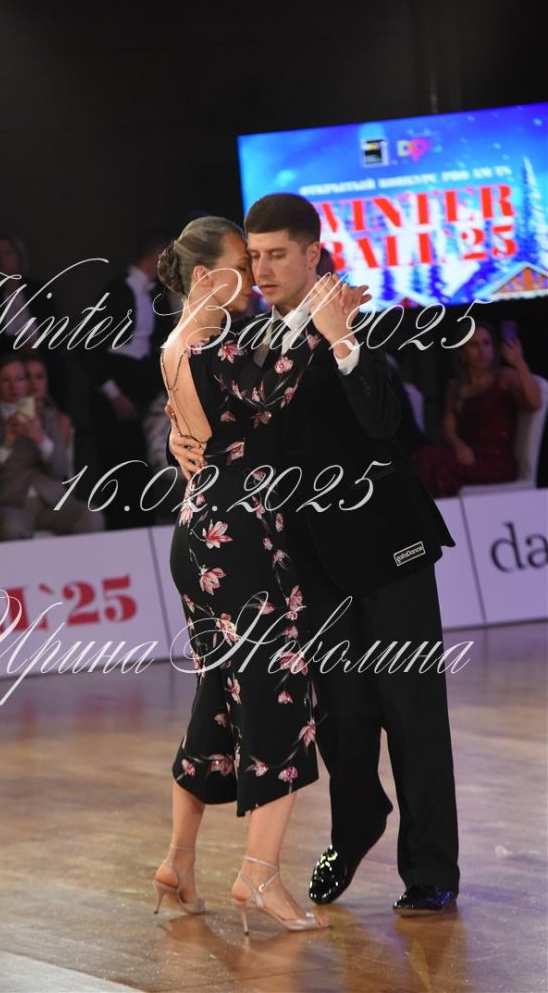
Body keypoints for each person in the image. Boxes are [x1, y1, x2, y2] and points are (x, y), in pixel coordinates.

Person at [170, 193, 460, 917]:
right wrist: (179, 442)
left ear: (312, 256)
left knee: (412, 712)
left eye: (276, 255)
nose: (263, 270)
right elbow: (222, 422)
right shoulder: (245, 339)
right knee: (338, 717)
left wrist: (343, 340)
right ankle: (357, 823)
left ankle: (430, 869)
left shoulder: (353, 319)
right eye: (253, 256)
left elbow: (387, 423)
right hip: (304, 561)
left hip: (387, 551)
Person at [153, 215, 365, 935]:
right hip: (239, 540)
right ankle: (261, 874)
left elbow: (217, 411)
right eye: (242, 265)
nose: (254, 277)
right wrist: (327, 322)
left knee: (217, 694)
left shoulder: (177, 343)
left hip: (196, 533)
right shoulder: (216, 341)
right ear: (206, 276)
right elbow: (272, 382)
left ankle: (179, 863)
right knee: (281, 697)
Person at [79, 231, 176, 529]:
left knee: (142, 464)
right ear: (155, 257)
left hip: (142, 388)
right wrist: (114, 394)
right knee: (118, 464)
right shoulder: (116, 291)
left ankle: (144, 524)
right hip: (114, 390)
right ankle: (121, 528)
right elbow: (87, 347)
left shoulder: (156, 294)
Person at [0, 353, 101, 541]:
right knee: (11, 528)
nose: (14, 387)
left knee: (90, 515)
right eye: (5, 380)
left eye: (19, 379)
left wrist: (40, 438)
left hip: (51, 503)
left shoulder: (47, 417)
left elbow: (61, 470)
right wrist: (6, 444)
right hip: (8, 504)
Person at [411, 323, 541, 496]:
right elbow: (448, 427)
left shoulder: (504, 377)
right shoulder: (455, 387)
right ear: (463, 354)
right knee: (422, 458)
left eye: (486, 343)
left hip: (496, 462)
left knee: (427, 459)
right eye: (474, 345)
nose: (482, 351)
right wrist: (459, 446)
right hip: (469, 456)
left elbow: (534, 403)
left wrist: (519, 363)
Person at [22, 353, 72, 448]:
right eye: (27, 376)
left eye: (39, 377)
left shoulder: (61, 420)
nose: (33, 382)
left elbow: (59, 456)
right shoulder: (9, 417)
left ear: (47, 381)